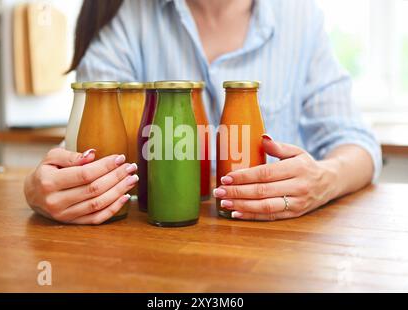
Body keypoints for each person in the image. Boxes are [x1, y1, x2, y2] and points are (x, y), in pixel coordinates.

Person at [24, 0, 382, 224]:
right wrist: (45, 187)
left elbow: (354, 141)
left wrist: (325, 179)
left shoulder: (300, 17)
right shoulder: (129, 17)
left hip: (271, 250)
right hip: (156, 259)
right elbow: (89, 136)